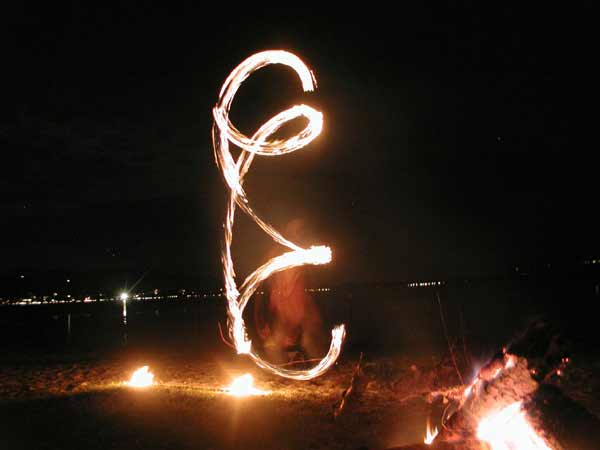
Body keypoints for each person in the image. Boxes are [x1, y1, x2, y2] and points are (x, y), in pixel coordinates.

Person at [254, 219, 325, 363]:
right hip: (284, 309)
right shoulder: (275, 254)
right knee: (272, 345)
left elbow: (308, 282)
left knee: (309, 341)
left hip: (301, 307)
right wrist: (262, 318)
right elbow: (265, 285)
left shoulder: (302, 253)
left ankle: (319, 367)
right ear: (287, 232)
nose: (297, 234)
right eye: (294, 231)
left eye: (300, 231)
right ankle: (285, 367)